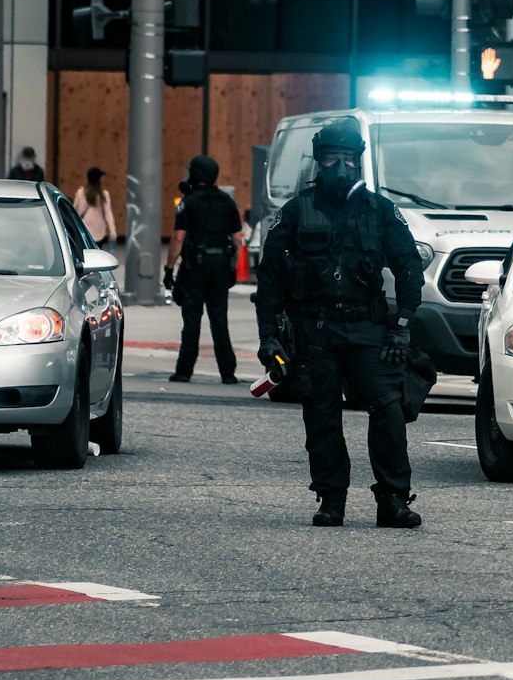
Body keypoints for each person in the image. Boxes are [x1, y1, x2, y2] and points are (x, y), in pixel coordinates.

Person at [254, 116, 424, 530]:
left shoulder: (381, 211)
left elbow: (408, 267)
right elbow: (270, 278)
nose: (341, 167)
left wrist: (402, 323)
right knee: (322, 414)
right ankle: (331, 500)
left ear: (360, 161)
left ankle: (393, 500)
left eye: (349, 158)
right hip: (315, 331)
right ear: (319, 162)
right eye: (332, 159)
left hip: (369, 329)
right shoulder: (295, 212)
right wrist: (269, 338)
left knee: (387, 409)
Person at [164, 155, 242, 385]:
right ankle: (228, 372)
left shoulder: (188, 202)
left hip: (195, 267)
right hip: (220, 266)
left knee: (192, 321)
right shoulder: (227, 201)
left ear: (195, 174)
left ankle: (184, 371)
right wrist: (233, 267)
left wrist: (169, 269)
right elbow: (237, 239)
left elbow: (179, 238)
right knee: (219, 320)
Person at [74, 166, 117, 246]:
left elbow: (74, 211)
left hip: (84, 231)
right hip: (99, 233)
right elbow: (108, 214)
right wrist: (112, 231)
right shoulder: (104, 195)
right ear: (99, 180)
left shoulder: (80, 193)